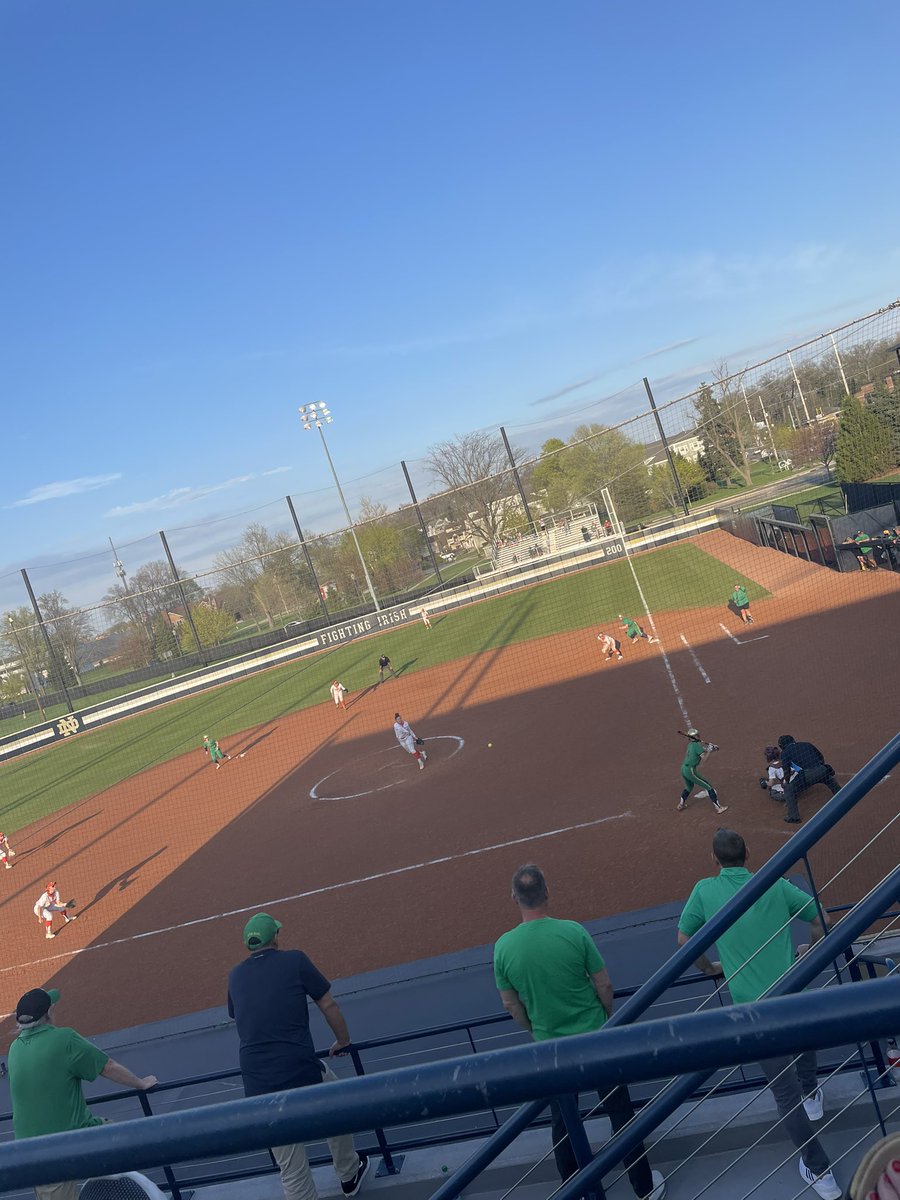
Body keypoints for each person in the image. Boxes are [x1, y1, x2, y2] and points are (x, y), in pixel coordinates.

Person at [677, 829, 840, 1200]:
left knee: (785, 1095)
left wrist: (709, 968)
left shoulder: (704, 891)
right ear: (748, 853)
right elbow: (822, 921)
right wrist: (809, 951)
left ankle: (821, 1171)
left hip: (752, 1012)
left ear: (714, 859)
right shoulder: (775, 883)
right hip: (791, 995)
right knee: (804, 1043)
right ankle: (812, 1092)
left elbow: (684, 942)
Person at [494, 865, 666, 1200]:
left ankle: (575, 1191)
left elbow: (510, 1004)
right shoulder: (573, 932)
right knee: (621, 1114)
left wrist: (535, 1028)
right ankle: (644, 1187)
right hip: (594, 1039)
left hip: (550, 1048)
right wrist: (605, 1017)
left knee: (562, 1124)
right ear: (547, 892)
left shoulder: (503, 947)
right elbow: (604, 983)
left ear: (514, 897)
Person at [227, 913, 370, 1200]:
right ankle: (348, 1173)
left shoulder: (235, 975)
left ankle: (344, 1174)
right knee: (337, 1104)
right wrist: (343, 1041)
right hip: (299, 1067)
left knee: (290, 1166)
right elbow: (328, 1003)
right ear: (275, 938)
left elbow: (239, 1014)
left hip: (257, 1081)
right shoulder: (295, 960)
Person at [8, 986, 158, 1200]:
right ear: (48, 1014)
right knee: (125, 1139)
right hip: (75, 1137)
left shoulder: (14, 1049)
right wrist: (141, 1083)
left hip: (30, 1151)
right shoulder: (65, 1039)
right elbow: (108, 1066)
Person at [778, 734, 840, 824]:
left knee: (789, 789)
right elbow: (821, 757)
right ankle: (840, 793)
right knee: (827, 777)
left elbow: (786, 770)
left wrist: (787, 783)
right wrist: (819, 768)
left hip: (807, 776)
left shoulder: (784, 753)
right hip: (822, 769)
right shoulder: (807, 744)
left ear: (781, 746)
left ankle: (794, 817)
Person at [677, 730, 727, 815]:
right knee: (709, 787)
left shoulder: (691, 745)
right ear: (696, 736)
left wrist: (713, 749)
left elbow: (701, 750)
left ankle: (681, 805)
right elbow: (704, 759)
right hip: (690, 770)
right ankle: (718, 808)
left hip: (683, 769)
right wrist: (709, 751)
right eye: (697, 735)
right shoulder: (697, 746)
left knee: (689, 786)